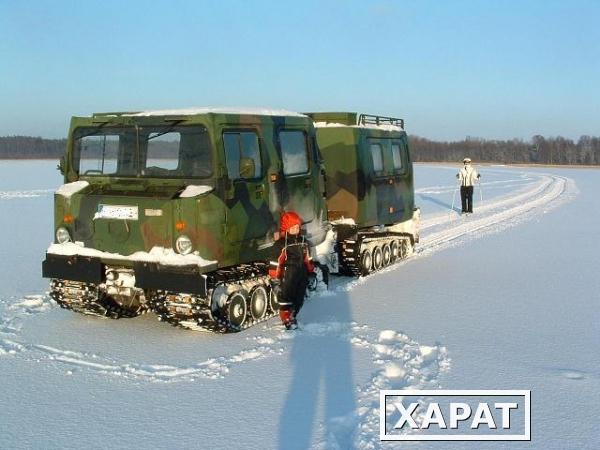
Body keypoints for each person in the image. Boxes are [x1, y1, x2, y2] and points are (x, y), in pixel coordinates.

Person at [269, 211, 316, 329]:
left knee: (299, 297)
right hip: (287, 274)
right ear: (286, 228)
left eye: (297, 227)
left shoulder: (303, 241)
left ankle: (293, 314)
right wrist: (275, 278)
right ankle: (287, 318)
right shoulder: (281, 244)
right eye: (292, 227)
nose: (295, 230)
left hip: (302, 273)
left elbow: (307, 258)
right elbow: (276, 263)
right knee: (286, 297)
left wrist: (311, 271)